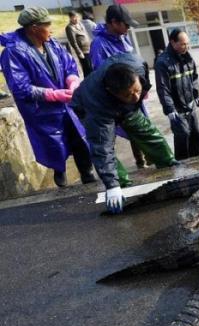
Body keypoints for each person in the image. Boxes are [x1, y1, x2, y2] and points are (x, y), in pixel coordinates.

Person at [0, 6, 95, 187]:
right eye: (47, 24)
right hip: (43, 110)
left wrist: (72, 80)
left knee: (79, 137)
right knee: (53, 144)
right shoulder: (13, 52)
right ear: (34, 28)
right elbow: (20, 88)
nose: (51, 28)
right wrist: (52, 94)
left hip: (67, 104)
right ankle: (60, 175)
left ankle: (88, 173)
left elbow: (69, 64)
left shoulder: (52, 44)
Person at [72, 52, 178, 214]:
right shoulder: (97, 105)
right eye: (129, 94)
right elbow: (103, 148)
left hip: (125, 104)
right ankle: (120, 183)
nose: (136, 96)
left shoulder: (137, 64)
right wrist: (111, 186)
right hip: (88, 106)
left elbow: (137, 91)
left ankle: (167, 161)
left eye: (137, 90)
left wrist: (133, 96)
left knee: (144, 129)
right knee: (103, 143)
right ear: (113, 92)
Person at [89, 4, 148, 171]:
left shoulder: (124, 37)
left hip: (134, 93)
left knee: (141, 127)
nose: (128, 28)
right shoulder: (99, 45)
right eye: (126, 24)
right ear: (114, 22)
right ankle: (137, 165)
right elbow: (102, 76)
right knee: (125, 130)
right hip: (118, 97)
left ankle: (144, 161)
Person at [155, 29, 199, 160]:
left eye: (187, 44)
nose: (186, 47)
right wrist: (169, 108)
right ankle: (182, 167)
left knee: (196, 135)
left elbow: (194, 78)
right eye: (183, 44)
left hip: (189, 104)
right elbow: (163, 88)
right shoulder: (163, 62)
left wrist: (196, 94)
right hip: (176, 108)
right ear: (172, 42)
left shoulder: (188, 58)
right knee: (183, 135)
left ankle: (195, 163)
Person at [65, 11, 92, 76]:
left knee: (91, 67)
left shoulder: (80, 24)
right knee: (87, 69)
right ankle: (87, 83)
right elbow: (73, 42)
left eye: (77, 17)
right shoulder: (70, 28)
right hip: (83, 52)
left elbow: (86, 35)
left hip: (89, 49)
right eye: (74, 17)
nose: (76, 18)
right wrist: (79, 53)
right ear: (70, 18)